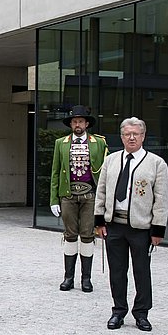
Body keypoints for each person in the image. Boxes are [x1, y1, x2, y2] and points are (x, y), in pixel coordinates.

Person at [94, 117, 168, 332]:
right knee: (117, 271)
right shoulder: (111, 160)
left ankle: (142, 313)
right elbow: (101, 192)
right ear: (122, 136)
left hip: (141, 227)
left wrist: (158, 229)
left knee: (141, 272)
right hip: (114, 224)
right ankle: (118, 311)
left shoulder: (156, 163)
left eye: (136, 134)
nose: (132, 137)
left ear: (143, 136)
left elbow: (162, 199)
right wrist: (99, 220)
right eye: (128, 134)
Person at [50, 105, 108, 293]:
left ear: (87, 123)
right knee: (70, 235)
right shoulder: (61, 143)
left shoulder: (99, 143)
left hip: (90, 195)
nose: (77, 124)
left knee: (87, 235)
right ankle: (68, 277)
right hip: (68, 195)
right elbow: (55, 172)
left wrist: (104, 199)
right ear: (71, 124)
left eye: (81, 121)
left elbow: (105, 173)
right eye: (74, 121)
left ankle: (86, 278)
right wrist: (53, 199)